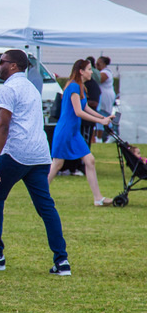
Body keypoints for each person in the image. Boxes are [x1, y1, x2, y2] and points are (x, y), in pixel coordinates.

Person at [0, 49, 71, 277]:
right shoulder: (31, 88)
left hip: (17, 155)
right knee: (46, 207)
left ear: (13, 65)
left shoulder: (8, 89)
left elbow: (4, 127)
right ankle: (62, 261)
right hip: (40, 155)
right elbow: (21, 126)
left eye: (1, 62)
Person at [47, 59, 115, 206]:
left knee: (90, 160)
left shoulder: (80, 87)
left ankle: (98, 199)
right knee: (57, 164)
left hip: (73, 132)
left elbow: (85, 108)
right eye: (89, 69)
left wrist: (103, 118)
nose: (92, 72)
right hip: (65, 131)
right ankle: (41, 195)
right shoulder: (73, 86)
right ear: (81, 71)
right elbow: (78, 112)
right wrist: (100, 121)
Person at [96, 56, 116, 142]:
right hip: (104, 97)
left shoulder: (106, 72)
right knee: (104, 115)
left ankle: (99, 138)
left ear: (103, 64)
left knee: (102, 115)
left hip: (105, 98)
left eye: (98, 63)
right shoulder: (104, 72)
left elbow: (99, 79)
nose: (96, 65)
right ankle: (112, 134)